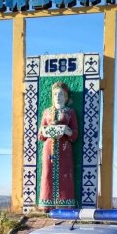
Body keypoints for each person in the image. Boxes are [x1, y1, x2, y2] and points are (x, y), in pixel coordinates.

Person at [38, 81, 78, 210]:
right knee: (47, 173)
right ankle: (47, 203)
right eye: (55, 94)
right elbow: (40, 135)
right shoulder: (47, 112)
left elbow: (75, 134)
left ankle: (65, 203)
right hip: (49, 148)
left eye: (61, 94)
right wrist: (46, 130)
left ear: (66, 97)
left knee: (65, 174)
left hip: (64, 149)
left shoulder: (70, 112)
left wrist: (66, 130)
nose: (58, 97)